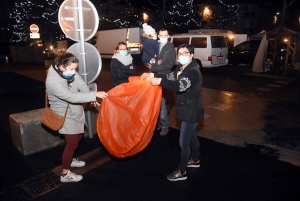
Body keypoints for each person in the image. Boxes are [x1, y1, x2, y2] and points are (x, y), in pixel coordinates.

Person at [141, 44, 204, 181]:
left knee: (183, 142)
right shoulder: (181, 68)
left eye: (185, 53)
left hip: (191, 111)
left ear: (191, 55)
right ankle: (196, 160)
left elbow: (179, 85)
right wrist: (153, 74)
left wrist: (158, 81)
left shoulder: (193, 71)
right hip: (186, 109)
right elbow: (169, 76)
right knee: (192, 137)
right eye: (180, 53)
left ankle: (182, 171)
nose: (182, 56)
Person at [46, 52, 108, 183]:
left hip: (74, 110)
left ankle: (71, 159)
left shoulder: (67, 71)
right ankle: (65, 174)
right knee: (72, 142)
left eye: (75, 68)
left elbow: (81, 83)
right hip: (64, 113)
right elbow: (71, 97)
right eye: (72, 69)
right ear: (62, 67)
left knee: (78, 137)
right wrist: (94, 94)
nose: (74, 72)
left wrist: (90, 96)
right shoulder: (52, 81)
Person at [146, 29, 176, 136]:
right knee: (155, 103)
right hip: (154, 75)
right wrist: (151, 64)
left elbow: (168, 65)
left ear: (168, 36)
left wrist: (154, 66)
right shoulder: (156, 46)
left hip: (163, 77)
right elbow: (150, 57)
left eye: (165, 35)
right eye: (161, 35)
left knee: (162, 103)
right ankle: (158, 124)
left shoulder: (170, 48)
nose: (163, 37)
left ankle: (164, 126)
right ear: (158, 35)